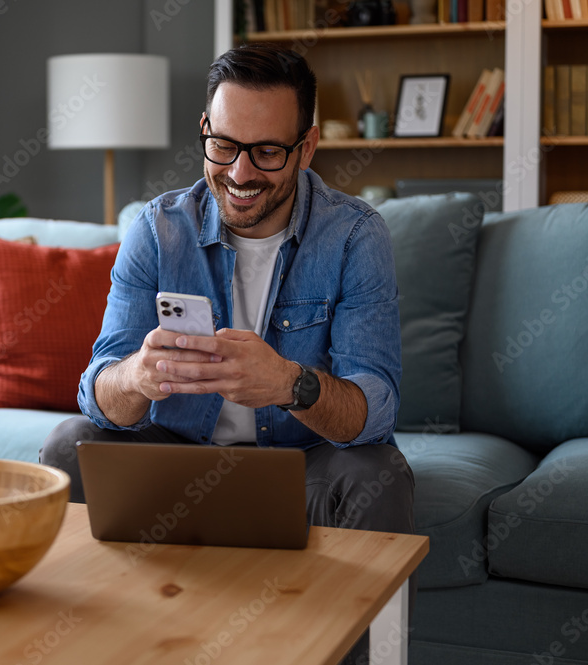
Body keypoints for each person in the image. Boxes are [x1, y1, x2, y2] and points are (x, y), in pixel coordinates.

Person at [40, 44, 414, 664]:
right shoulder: (158, 228)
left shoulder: (354, 235)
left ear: (308, 147)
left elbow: (374, 410)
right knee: (68, 445)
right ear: (206, 133)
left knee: (378, 475)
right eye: (225, 146)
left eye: (267, 151)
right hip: (178, 465)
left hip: (301, 469)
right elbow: (96, 393)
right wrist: (139, 375)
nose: (240, 173)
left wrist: (292, 384)